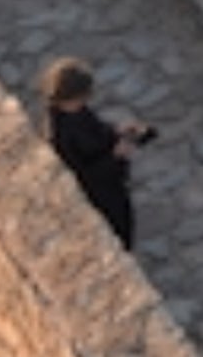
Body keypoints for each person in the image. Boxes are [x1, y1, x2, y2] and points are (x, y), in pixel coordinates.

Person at [41, 55, 151, 249]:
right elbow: (84, 176)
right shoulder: (60, 135)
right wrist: (115, 156)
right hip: (100, 195)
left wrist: (117, 131)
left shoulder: (77, 112)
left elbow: (96, 129)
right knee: (117, 231)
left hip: (112, 182)